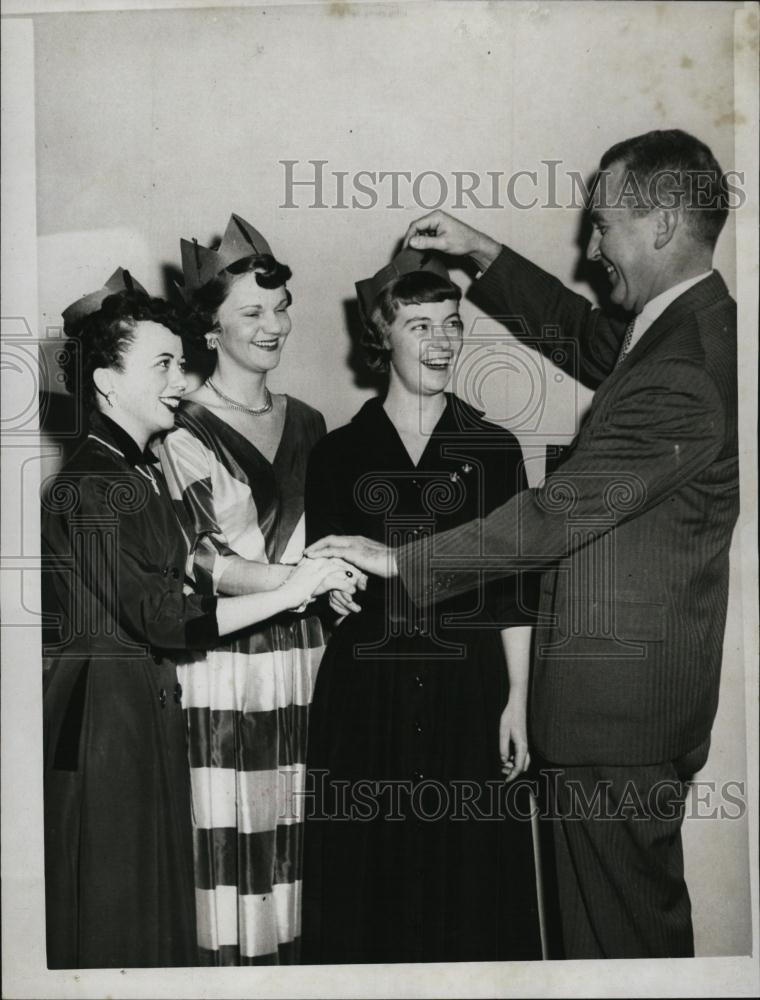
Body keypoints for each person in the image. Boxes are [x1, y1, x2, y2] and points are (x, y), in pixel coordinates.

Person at [306, 129, 739, 959]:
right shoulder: (686, 334)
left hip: (619, 724)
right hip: (621, 720)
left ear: (659, 224)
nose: (591, 246)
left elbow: (557, 511)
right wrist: (479, 251)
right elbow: (580, 334)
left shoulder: (680, 367)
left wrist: (401, 558)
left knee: (621, 954)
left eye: (602, 223)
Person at [42, 274, 359, 969]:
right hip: (102, 717)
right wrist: (292, 589)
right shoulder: (91, 485)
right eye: (161, 365)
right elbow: (167, 618)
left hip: (141, 709)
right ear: (105, 385)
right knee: (116, 908)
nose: (181, 381)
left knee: (154, 903)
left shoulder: (133, 473)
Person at [300, 248, 542, 964]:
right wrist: (334, 588)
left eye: (451, 324)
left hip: (470, 693)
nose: (440, 341)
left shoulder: (494, 449)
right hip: (365, 699)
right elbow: (327, 580)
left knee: (471, 889)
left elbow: (515, 590)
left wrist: (518, 700)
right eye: (418, 325)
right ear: (383, 338)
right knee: (367, 886)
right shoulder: (338, 454)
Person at [157, 215, 339, 965]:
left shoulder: (313, 422)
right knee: (232, 846)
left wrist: (336, 581)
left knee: (297, 847)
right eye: (252, 313)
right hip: (228, 667)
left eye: (281, 308)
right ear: (210, 329)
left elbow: (329, 544)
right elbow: (205, 563)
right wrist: (306, 581)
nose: (274, 326)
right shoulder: (181, 428)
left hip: (307, 662)